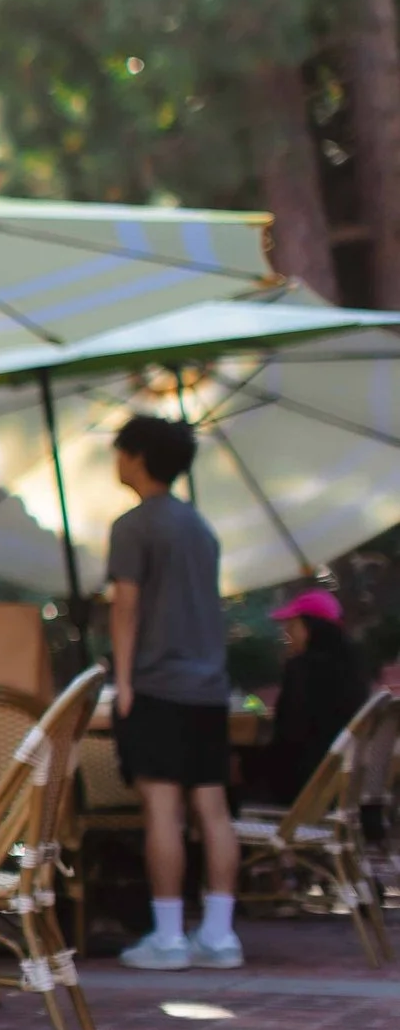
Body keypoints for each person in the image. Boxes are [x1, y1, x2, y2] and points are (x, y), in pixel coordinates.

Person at [108, 414, 242, 971]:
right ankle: (220, 934)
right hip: (209, 687)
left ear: (137, 456)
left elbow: (126, 607)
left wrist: (122, 681)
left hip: (158, 683)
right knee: (211, 807)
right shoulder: (199, 526)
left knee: (162, 807)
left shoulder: (135, 525)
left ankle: (167, 937)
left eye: (119, 452)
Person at [248, 588, 371, 808]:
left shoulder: (302, 668)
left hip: (302, 790)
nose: (287, 635)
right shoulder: (357, 668)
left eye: (293, 626)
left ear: (312, 628)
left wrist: (252, 764)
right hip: (343, 791)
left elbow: (290, 735)